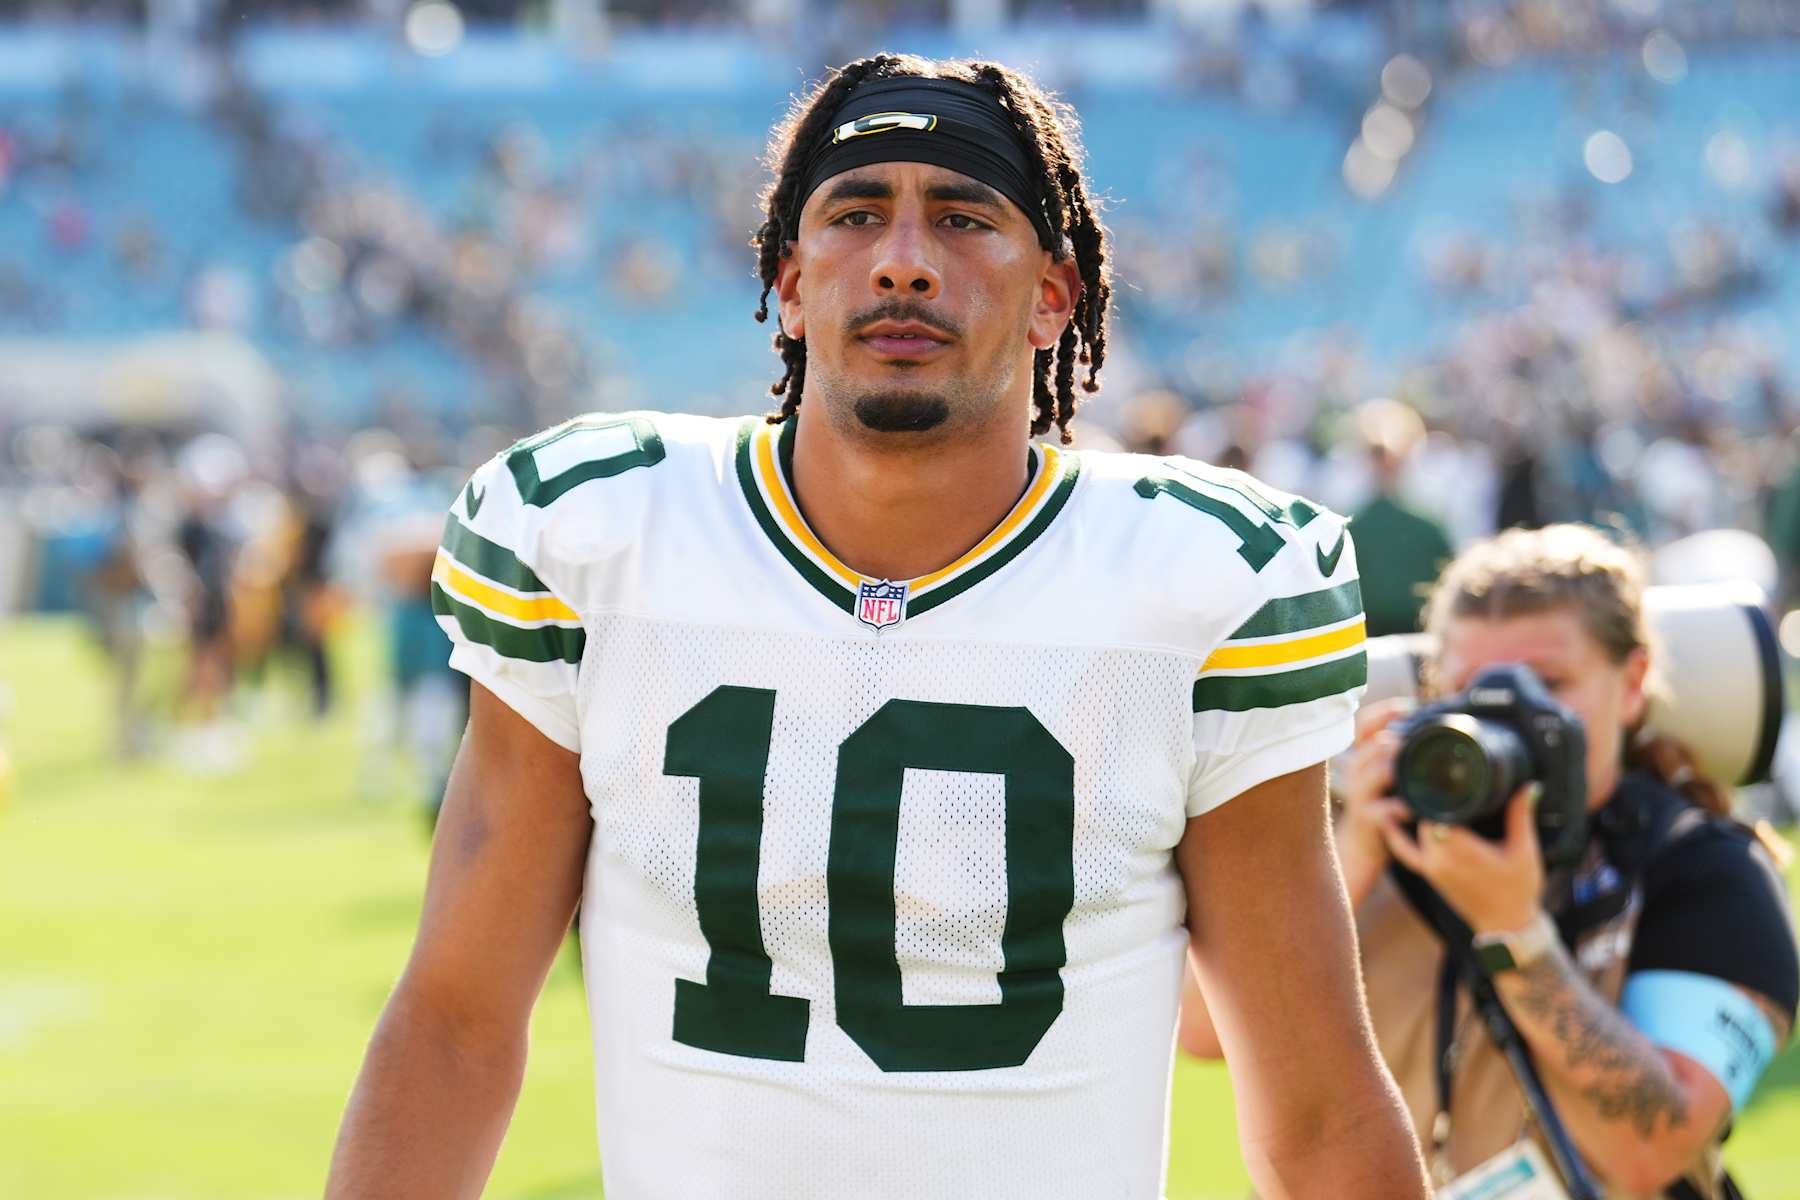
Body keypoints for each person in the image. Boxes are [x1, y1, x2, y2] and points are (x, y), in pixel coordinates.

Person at [326, 55, 1427, 1199]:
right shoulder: (601, 535)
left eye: (963, 218)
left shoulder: (1202, 585)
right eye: (858, 215)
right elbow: (455, 1022)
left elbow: (1316, 1102)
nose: (905, 260)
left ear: (1056, 293)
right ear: (792, 283)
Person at [1181, 524, 1798, 1199]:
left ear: (1633, 683)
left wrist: (1515, 930)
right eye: (1477, 688)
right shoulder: (1367, 839)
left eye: (1549, 684)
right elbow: (1203, 1031)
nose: (1511, 716)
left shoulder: (1703, 869)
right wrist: (1349, 856)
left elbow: (1653, 1149)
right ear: (1435, 687)